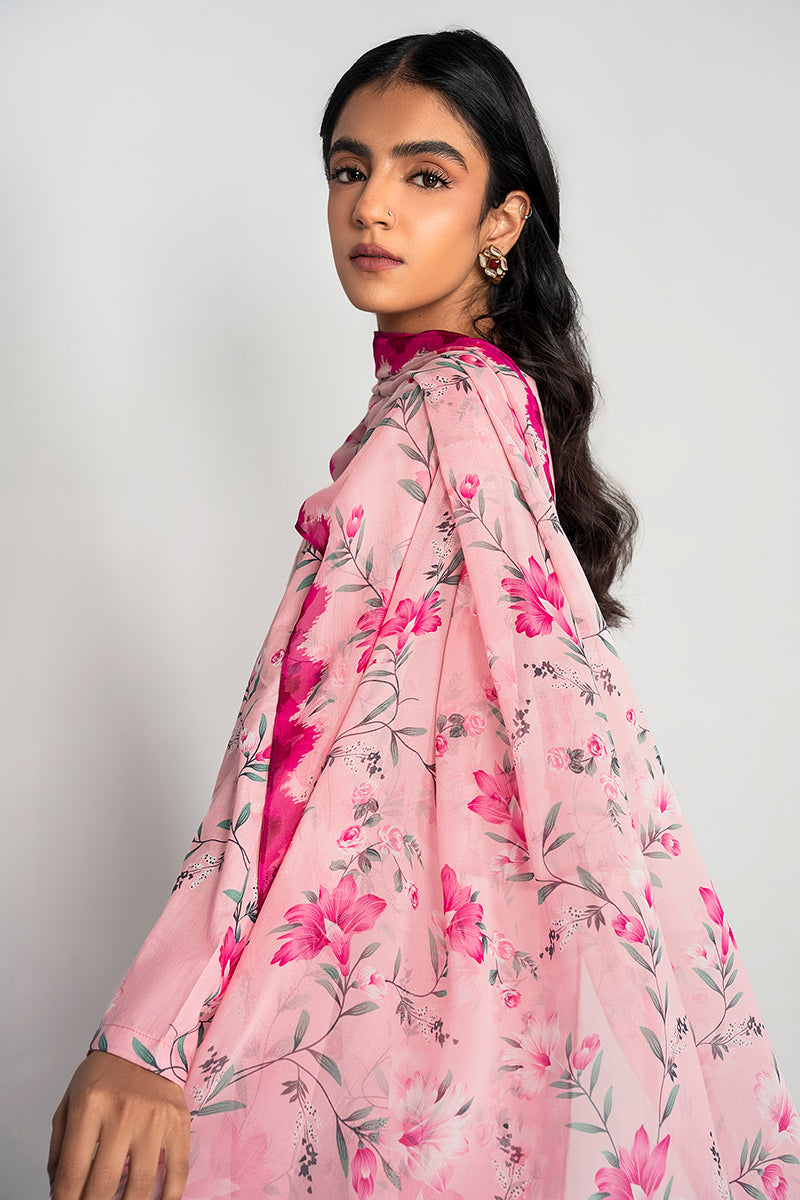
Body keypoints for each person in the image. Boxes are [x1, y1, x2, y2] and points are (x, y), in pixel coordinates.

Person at [48, 28, 799, 1200]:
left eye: (424, 174)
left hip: (382, 1013)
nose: (371, 206)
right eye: (348, 169)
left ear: (502, 221)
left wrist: (151, 1029)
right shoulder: (496, 408)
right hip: (489, 1005)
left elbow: (291, 737)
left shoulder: (427, 421)